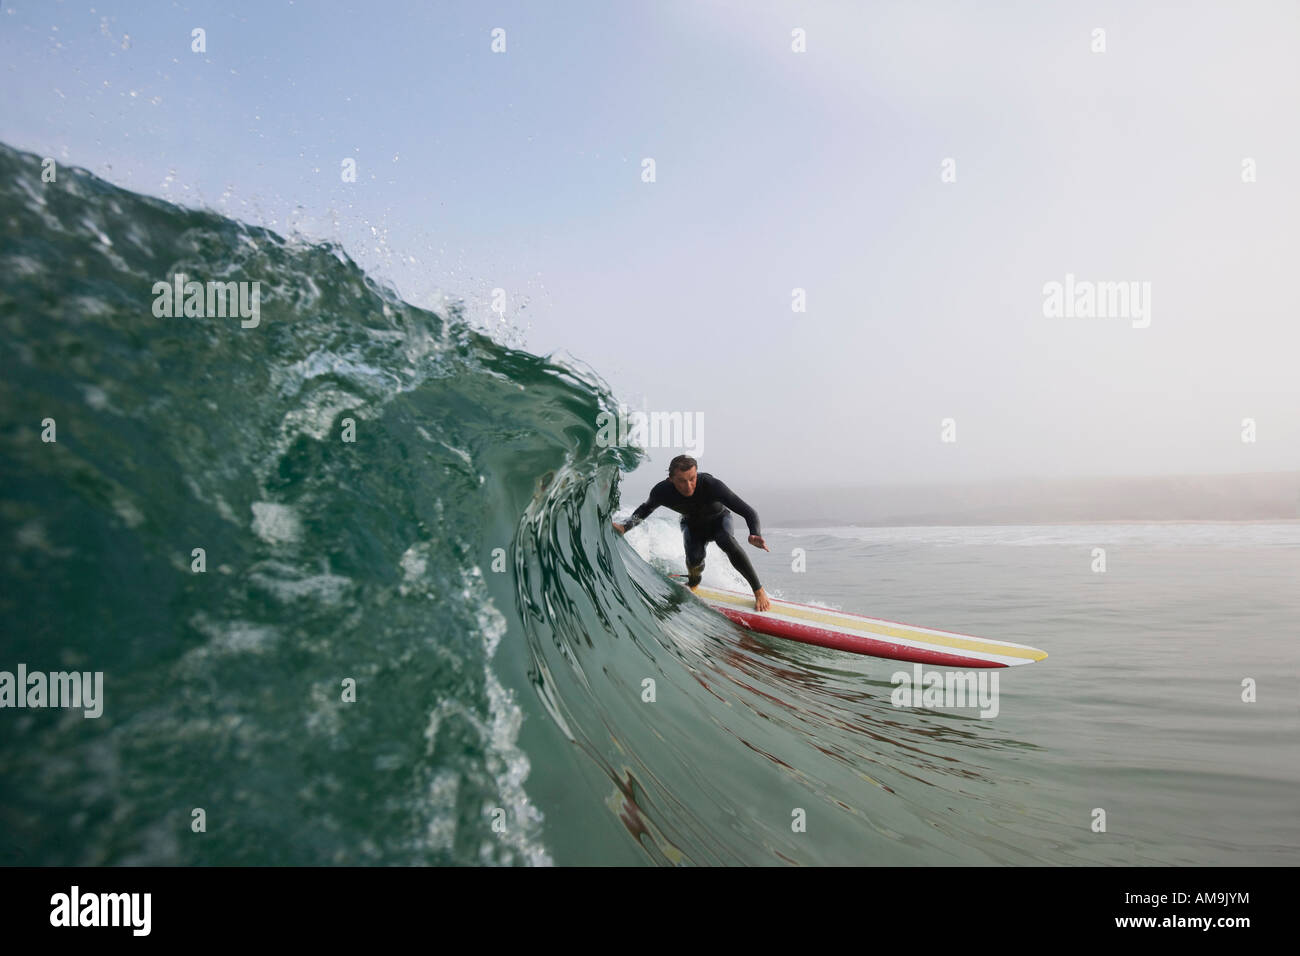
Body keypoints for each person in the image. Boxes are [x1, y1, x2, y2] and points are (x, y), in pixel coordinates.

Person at [612, 455, 771, 612]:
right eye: (682, 481)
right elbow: (645, 509)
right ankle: (693, 583)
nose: (689, 486)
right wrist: (625, 527)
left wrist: (754, 533)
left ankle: (758, 591)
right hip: (692, 526)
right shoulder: (662, 491)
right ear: (671, 479)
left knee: (726, 540)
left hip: (719, 521)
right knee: (694, 560)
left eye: (692, 478)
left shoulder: (711, 485)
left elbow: (748, 511)